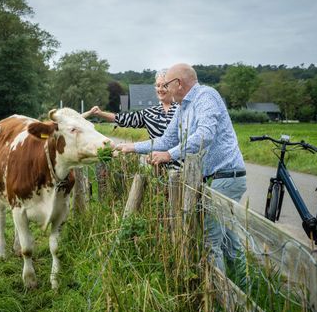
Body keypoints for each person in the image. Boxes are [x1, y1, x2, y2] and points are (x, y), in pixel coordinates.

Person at [116, 63, 247, 278]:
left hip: (225, 177)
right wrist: (131, 148)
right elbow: (167, 139)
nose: (164, 89)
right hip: (210, 179)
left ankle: (221, 301)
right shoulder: (182, 107)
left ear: (178, 83)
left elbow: (204, 134)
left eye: (166, 84)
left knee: (211, 240)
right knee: (229, 242)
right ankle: (242, 293)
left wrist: (169, 155)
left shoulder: (206, 97)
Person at [84, 69, 180, 169]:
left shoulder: (181, 109)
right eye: (158, 85)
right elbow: (124, 119)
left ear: (172, 87)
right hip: (158, 168)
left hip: (182, 167)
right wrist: (100, 113)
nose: (160, 89)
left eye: (164, 85)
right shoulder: (149, 113)